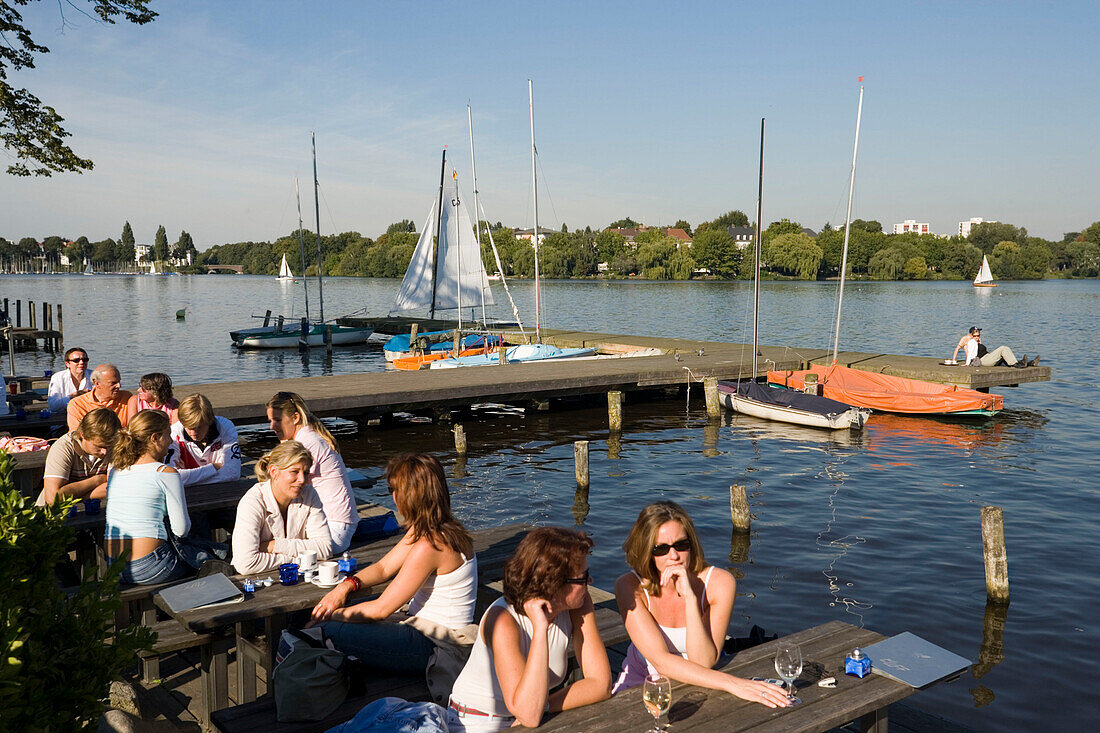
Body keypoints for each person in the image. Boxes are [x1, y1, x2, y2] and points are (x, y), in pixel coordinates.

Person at [309, 453, 477, 674]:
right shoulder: (439, 529)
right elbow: (383, 568)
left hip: (435, 645)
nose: (393, 497)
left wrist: (329, 614)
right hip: (427, 630)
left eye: (393, 490)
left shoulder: (430, 546)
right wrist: (347, 585)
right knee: (334, 622)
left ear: (410, 495)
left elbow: (380, 609)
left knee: (321, 630)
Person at [612, 501, 790, 709]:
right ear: (646, 551)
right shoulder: (630, 587)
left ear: (692, 544)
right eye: (661, 549)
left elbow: (704, 661)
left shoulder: (720, 583)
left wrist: (690, 598)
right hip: (644, 682)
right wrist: (735, 684)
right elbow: (660, 661)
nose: (674, 556)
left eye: (681, 545)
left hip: (704, 681)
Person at [446, 526, 612, 731]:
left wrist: (546, 705)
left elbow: (601, 684)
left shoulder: (578, 605)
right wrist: (541, 628)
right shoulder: (503, 620)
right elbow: (528, 715)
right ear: (555, 583)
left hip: (531, 717)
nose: (590, 581)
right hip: (476, 721)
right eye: (583, 577)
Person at [103, 409, 225, 585]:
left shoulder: (116, 471)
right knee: (209, 565)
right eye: (168, 434)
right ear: (154, 438)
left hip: (115, 567)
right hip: (151, 566)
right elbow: (181, 529)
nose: (171, 441)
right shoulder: (165, 473)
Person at [266, 391, 356, 554]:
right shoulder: (305, 438)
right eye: (270, 421)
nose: (272, 426)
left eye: (277, 420)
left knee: (270, 547)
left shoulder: (308, 444)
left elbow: (281, 487)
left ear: (295, 418)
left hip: (334, 529)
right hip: (327, 522)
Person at [231, 440, 331, 574]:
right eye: (294, 471)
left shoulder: (309, 494)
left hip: (294, 576)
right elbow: (246, 563)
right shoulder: (252, 502)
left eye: (306, 473)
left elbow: (325, 548)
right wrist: (299, 559)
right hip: (255, 582)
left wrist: (274, 545)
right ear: (274, 471)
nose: (302, 479)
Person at [35, 408, 122, 506]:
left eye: (108, 447)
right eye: (99, 446)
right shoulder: (63, 447)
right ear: (83, 435)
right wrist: (97, 480)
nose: (105, 452)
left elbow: (116, 487)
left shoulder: (115, 446)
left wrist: (78, 497)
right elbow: (52, 498)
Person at [167, 393, 242, 486]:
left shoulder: (225, 427)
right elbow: (169, 478)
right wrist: (213, 468)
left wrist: (187, 478)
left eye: (199, 427)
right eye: (189, 427)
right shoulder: (174, 433)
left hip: (221, 489)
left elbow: (233, 473)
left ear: (209, 421)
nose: (194, 433)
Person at [67, 363, 132, 431]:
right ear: (97, 383)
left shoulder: (126, 398)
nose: (119, 386)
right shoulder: (77, 404)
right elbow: (77, 434)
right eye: (113, 383)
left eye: (119, 382)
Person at [952, 326, 1037, 368]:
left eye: (979, 335)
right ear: (971, 335)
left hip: (987, 357)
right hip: (982, 360)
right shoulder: (969, 341)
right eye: (975, 335)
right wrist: (954, 361)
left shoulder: (977, 341)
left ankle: (1028, 364)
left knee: (1005, 359)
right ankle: (1018, 364)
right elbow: (968, 353)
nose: (978, 337)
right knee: (1003, 348)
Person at [48, 347, 91, 412]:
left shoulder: (94, 375)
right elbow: (53, 406)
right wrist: (72, 396)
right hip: (63, 415)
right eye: (76, 360)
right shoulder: (57, 377)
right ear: (67, 364)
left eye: (84, 359)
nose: (81, 362)